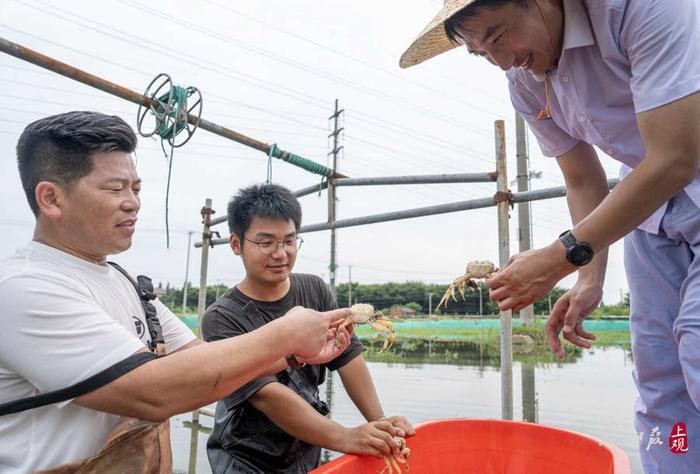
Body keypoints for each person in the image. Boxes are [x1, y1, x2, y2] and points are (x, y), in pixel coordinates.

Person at [400, 0, 700, 471]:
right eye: (479, 53)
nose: (499, 61)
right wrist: (587, 278)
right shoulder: (523, 78)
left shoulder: (641, 8)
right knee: (660, 372)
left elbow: (677, 157)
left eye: (497, 36)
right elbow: (583, 179)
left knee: (696, 346)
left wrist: (562, 256)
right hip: (650, 208)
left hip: (673, 170)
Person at [0, 111, 353, 473]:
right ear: (52, 199)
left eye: (135, 188)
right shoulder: (23, 288)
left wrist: (294, 355)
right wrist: (286, 335)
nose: (133, 202)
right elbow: (153, 392)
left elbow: (205, 364)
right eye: (114, 188)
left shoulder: (125, 283)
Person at [201, 183, 415, 473]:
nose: (281, 253)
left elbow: (348, 356)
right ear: (236, 244)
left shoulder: (314, 290)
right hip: (245, 459)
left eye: (289, 241)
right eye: (266, 242)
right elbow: (265, 394)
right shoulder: (222, 318)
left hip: (305, 449)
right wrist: (345, 437)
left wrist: (378, 423)